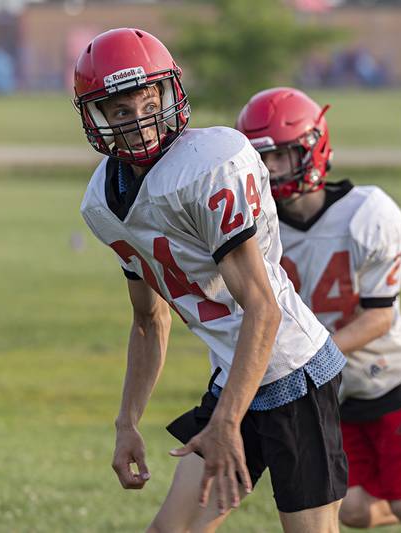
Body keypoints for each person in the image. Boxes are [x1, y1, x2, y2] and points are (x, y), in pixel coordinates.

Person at [75, 29, 347, 532]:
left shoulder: (209, 164)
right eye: (121, 112)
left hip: (291, 369)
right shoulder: (103, 202)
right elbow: (147, 319)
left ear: (168, 93)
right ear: (98, 119)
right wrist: (126, 422)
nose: (140, 121)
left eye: (147, 100)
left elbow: (262, 307)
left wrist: (225, 422)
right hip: (234, 375)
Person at [236, 87, 401, 533]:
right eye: (260, 159)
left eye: (281, 155)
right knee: (350, 510)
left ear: (313, 149)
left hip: (390, 377)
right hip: (335, 388)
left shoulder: (367, 213)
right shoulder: (257, 228)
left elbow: (380, 316)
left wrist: (311, 356)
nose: (269, 170)